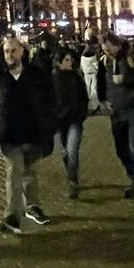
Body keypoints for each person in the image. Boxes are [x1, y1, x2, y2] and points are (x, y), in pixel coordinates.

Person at [0, 35, 55, 234]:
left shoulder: (36, 75)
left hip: (33, 133)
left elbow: (48, 99)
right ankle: (11, 215)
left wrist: (49, 123)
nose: (10, 54)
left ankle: (33, 206)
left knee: (31, 172)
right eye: (6, 51)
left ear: (23, 51)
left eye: (13, 50)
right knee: (14, 172)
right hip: (9, 135)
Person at [101, 32, 134, 199]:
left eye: (109, 45)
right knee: (120, 149)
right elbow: (102, 82)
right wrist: (103, 100)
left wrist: (126, 79)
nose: (106, 49)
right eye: (103, 46)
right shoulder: (105, 61)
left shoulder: (131, 59)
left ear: (117, 44)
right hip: (116, 111)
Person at [52, 49, 89, 199]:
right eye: (66, 60)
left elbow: (83, 97)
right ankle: (71, 174)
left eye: (70, 59)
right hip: (60, 122)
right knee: (65, 153)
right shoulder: (52, 79)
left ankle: (73, 182)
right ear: (59, 62)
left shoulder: (76, 77)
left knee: (72, 151)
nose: (70, 62)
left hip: (75, 120)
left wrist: (81, 114)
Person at [80, 45, 101, 112]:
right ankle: (94, 105)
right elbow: (96, 65)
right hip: (93, 73)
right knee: (94, 89)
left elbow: (81, 65)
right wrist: (96, 69)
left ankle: (88, 105)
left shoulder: (83, 57)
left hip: (86, 73)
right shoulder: (94, 56)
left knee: (87, 88)